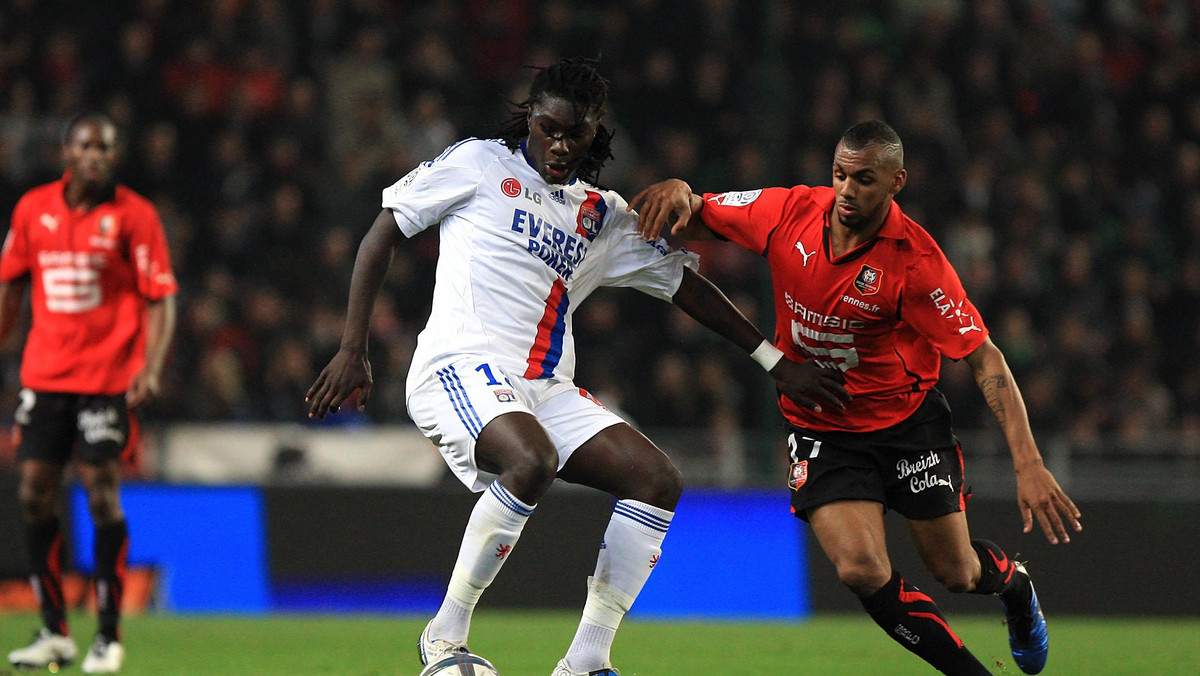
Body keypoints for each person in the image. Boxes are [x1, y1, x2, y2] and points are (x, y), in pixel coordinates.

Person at [305, 57, 847, 676]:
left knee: (656, 480)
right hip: (458, 365)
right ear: (529, 120)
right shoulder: (480, 163)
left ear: (596, 135)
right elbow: (383, 232)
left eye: (575, 134)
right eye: (548, 129)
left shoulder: (603, 214)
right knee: (530, 459)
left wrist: (774, 362)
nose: (559, 145)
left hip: (543, 389)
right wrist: (354, 347)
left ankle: (587, 659)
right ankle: (444, 636)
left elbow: (687, 288)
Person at [630, 120, 1082, 676]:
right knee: (860, 569)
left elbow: (985, 357)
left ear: (897, 182)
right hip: (823, 426)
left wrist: (1029, 463)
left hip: (907, 424)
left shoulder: (917, 263)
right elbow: (696, 213)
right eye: (840, 174)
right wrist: (680, 190)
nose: (847, 190)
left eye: (865, 179)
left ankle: (1015, 585)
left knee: (958, 572)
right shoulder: (788, 211)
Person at [1, 112, 179, 674]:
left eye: (106, 148)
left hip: (106, 380)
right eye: (87, 146)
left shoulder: (135, 215)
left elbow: (161, 297)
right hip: (45, 377)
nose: (97, 156)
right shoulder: (33, 210)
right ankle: (54, 630)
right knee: (33, 492)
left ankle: (107, 632)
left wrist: (148, 369)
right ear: (67, 152)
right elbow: (10, 284)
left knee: (101, 492)